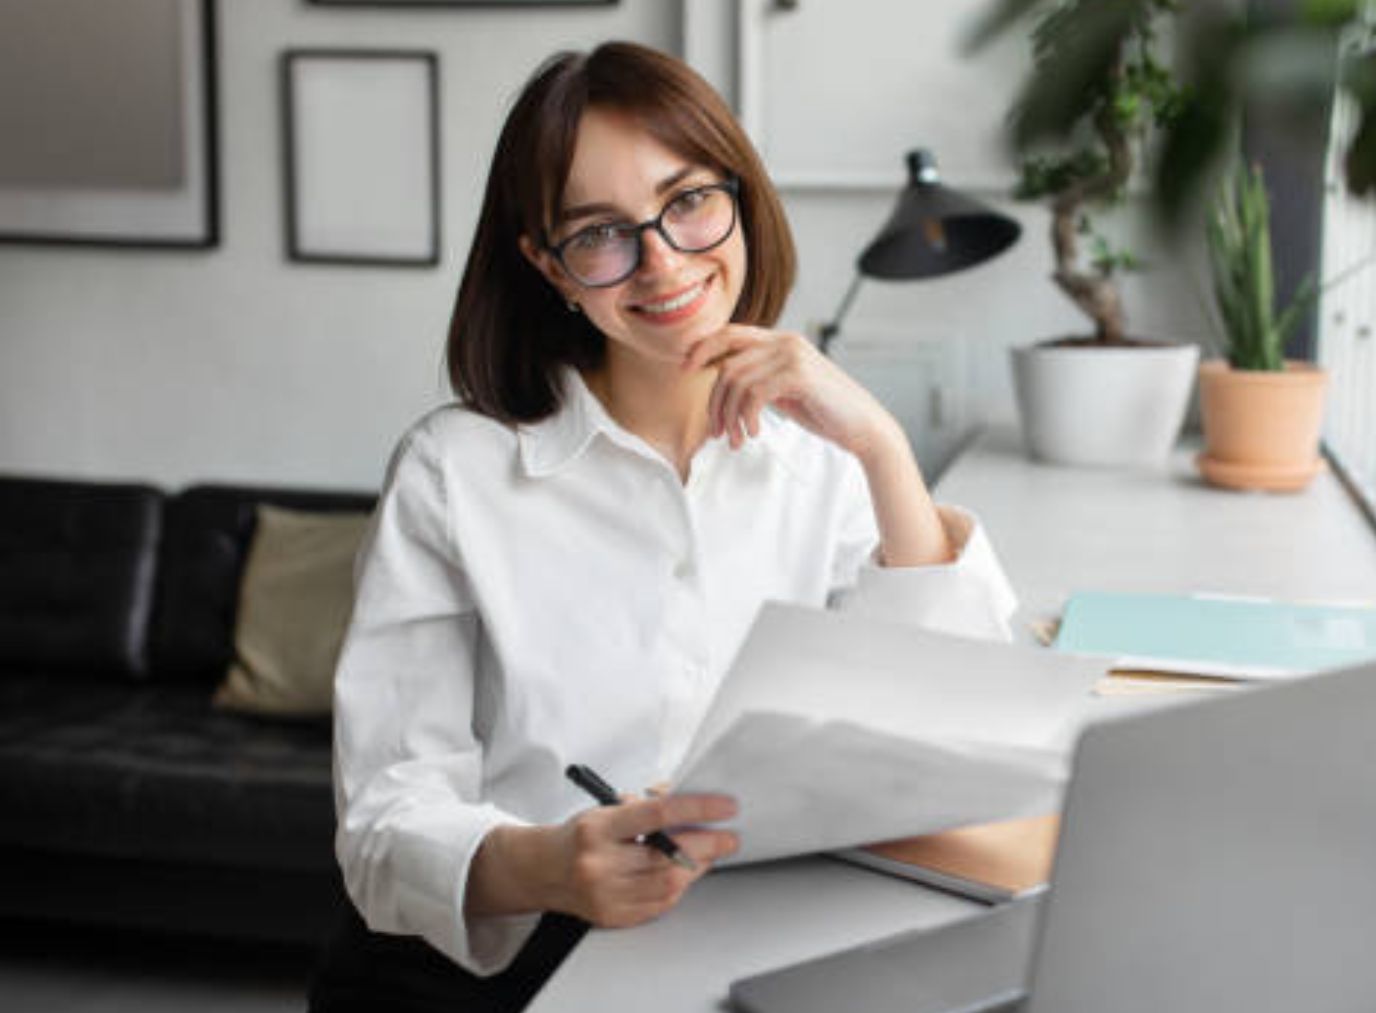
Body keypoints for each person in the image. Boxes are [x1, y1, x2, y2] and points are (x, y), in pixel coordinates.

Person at [308, 39, 1017, 1012]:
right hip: (501, 968)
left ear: (738, 192)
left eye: (686, 201)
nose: (664, 262)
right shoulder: (453, 474)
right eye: (601, 232)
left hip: (744, 944)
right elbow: (382, 828)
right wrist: (549, 863)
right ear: (547, 265)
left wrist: (883, 446)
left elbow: (959, 721)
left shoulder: (822, 461)